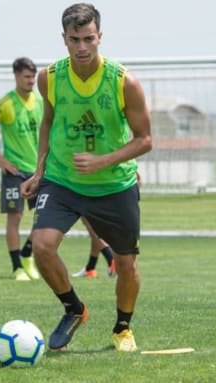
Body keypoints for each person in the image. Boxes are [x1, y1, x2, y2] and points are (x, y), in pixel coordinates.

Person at [20, 3, 152, 352]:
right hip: (62, 181)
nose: (81, 47)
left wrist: (103, 160)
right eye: (74, 39)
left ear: (100, 37)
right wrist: (40, 170)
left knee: (125, 263)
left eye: (88, 39)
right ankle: (74, 309)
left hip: (113, 185)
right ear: (63, 38)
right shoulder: (49, 77)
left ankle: (123, 329)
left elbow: (145, 140)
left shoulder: (124, 82)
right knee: (42, 246)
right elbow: (48, 120)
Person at [0, 57, 43, 281]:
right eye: (26, 77)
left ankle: (28, 254)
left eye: (33, 76)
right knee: (15, 217)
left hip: (38, 171)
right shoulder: (5, 103)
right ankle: (17, 267)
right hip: (14, 171)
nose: (31, 81)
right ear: (16, 77)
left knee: (43, 217)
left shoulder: (41, 103)